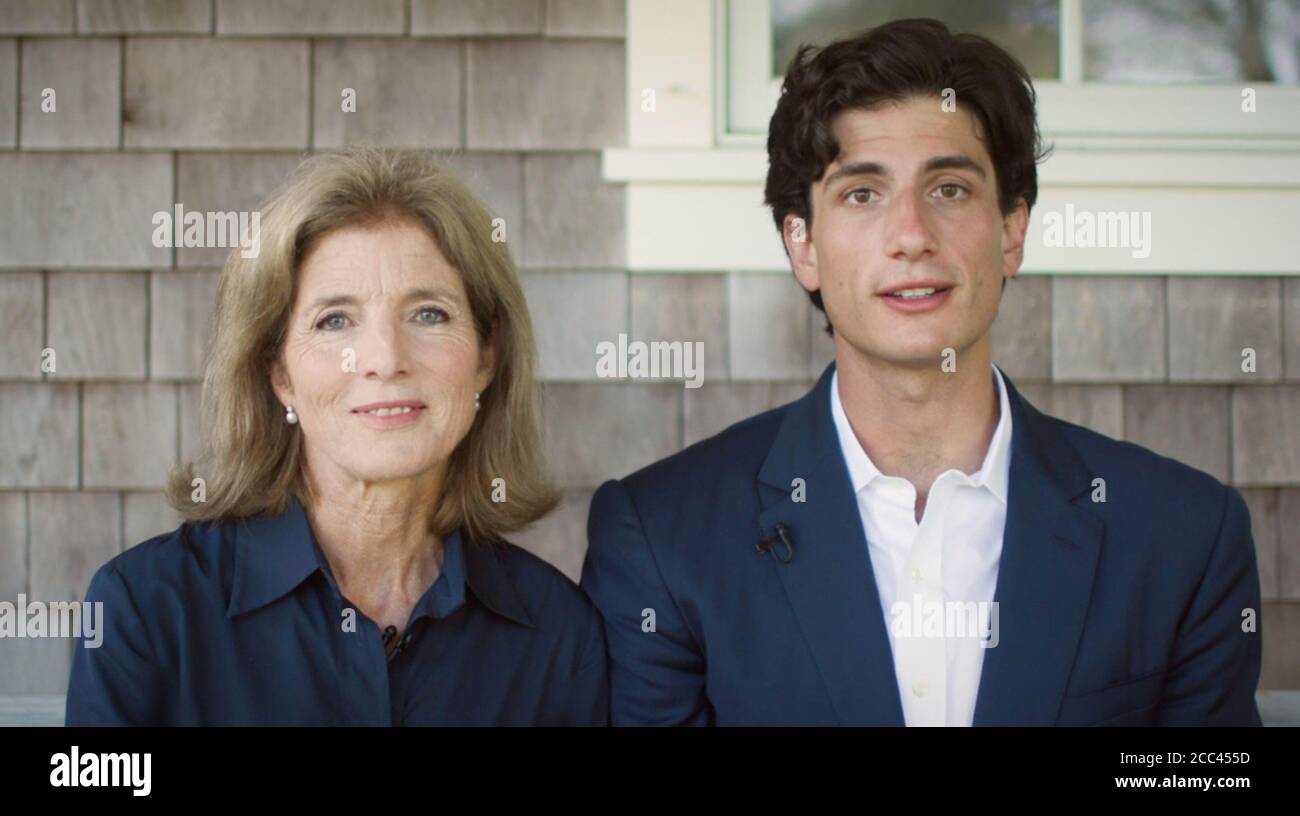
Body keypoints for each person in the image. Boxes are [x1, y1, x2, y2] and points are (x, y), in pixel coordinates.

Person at [581, 18, 1262, 726]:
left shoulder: (1183, 536)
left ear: (1011, 231)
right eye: (862, 194)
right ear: (802, 244)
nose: (910, 235)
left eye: (949, 190)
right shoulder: (662, 540)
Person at [67, 147, 607, 726]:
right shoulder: (147, 610)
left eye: (428, 313)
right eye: (334, 320)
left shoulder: (558, 633)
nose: (383, 358)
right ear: (279, 373)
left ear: (486, 356)